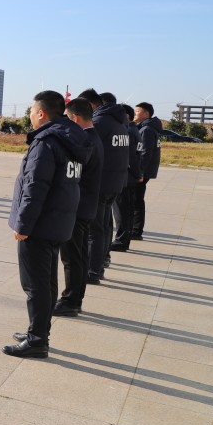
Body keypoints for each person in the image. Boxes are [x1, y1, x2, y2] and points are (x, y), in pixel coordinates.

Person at [4, 90, 90, 358]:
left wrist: (23, 225)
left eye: (31, 111)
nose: (30, 115)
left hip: (40, 225)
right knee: (47, 282)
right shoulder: (71, 138)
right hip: (58, 222)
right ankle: (38, 330)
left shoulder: (46, 142)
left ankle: (37, 341)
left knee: (35, 285)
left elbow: (35, 187)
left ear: (41, 114)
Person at [56, 98, 103, 316]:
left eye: (67, 118)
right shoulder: (94, 137)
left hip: (77, 206)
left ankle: (71, 301)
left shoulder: (84, 141)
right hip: (86, 205)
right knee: (80, 256)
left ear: (74, 118)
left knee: (72, 257)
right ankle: (76, 297)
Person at [79, 89, 129, 282]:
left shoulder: (99, 122)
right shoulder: (119, 122)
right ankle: (101, 261)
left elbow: (86, 149)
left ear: (91, 105)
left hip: (100, 184)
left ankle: (93, 271)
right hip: (114, 182)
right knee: (105, 226)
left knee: (95, 230)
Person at [110, 104, 141, 252]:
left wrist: (137, 173)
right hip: (130, 177)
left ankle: (121, 241)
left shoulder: (127, 132)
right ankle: (124, 240)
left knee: (121, 212)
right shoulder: (134, 130)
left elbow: (131, 157)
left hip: (126, 177)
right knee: (126, 211)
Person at [133, 102, 162, 240]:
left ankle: (136, 230)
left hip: (142, 172)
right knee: (137, 199)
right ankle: (135, 229)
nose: (135, 114)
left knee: (136, 200)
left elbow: (145, 153)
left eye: (137, 111)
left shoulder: (147, 130)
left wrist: (140, 172)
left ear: (146, 114)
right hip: (144, 171)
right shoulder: (148, 127)